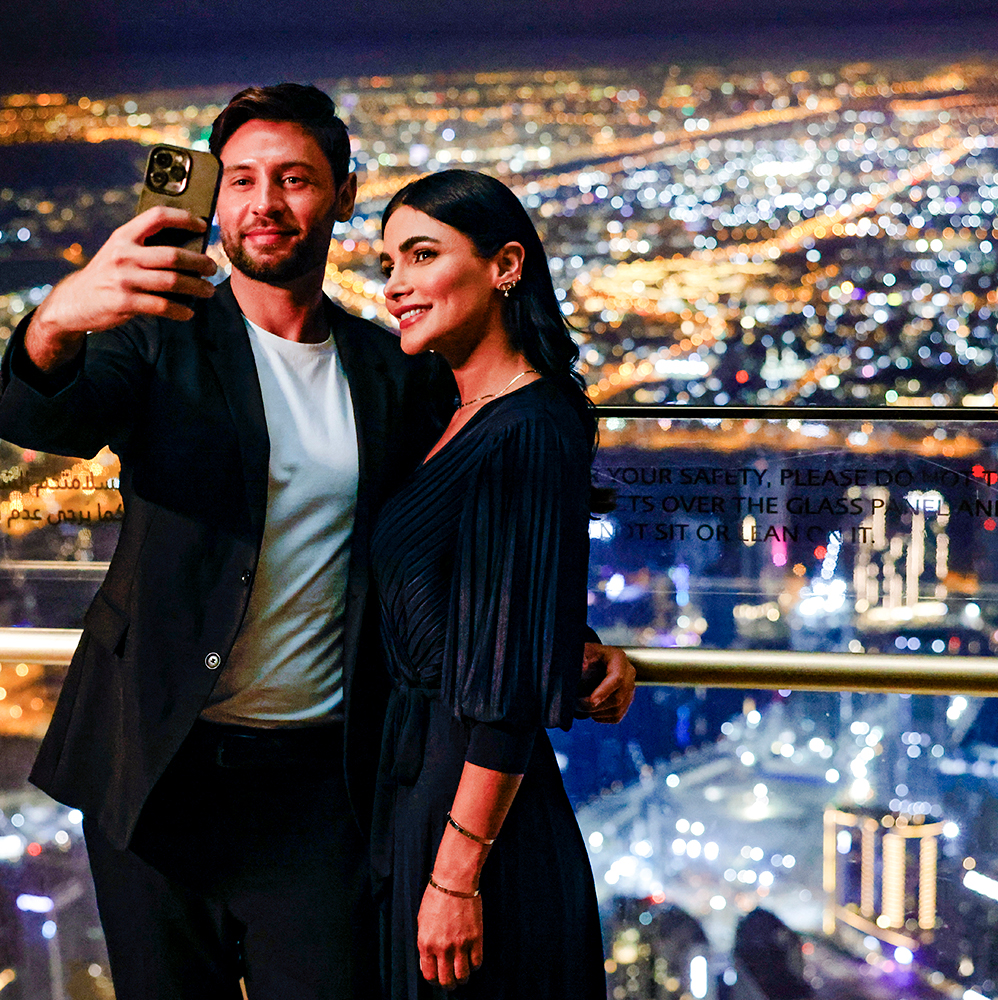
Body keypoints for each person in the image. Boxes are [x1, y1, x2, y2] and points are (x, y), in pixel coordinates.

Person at [0, 84, 634, 1000]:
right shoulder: (157, 341)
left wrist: (569, 638)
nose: (264, 203)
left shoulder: (394, 368)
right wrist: (59, 317)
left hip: (324, 788)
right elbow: (34, 418)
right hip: (155, 773)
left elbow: (462, 535)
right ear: (213, 199)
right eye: (242, 179)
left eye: (294, 178)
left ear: (340, 194)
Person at [372, 169, 607, 998]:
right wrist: (571, 640)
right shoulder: (447, 410)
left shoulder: (532, 427)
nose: (397, 284)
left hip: (472, 813)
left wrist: (455, 876)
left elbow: (503, 695)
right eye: (388, 262)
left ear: (506, 266)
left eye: (422, 254)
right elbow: (482, 591)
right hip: (418, 784)